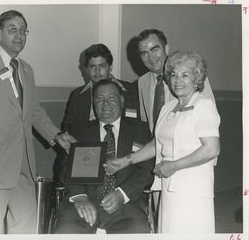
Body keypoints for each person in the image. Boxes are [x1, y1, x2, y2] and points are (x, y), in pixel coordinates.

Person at [0, 10, 75, 234]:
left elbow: (34, 112)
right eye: (12, 30)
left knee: (25, 226)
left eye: (23, 30)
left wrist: (58, 136)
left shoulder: (26, 70)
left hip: (25, 164)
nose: (19, 35)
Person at [105, 50, 221, 233]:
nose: (178, 80)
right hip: (168, 185)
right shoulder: (168, 108)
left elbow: (211, 149)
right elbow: (156, 144)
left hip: (193, 189)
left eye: (185, 75)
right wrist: (126, 160)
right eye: (173, 75)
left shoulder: (204, 105)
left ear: (196, 79)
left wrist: (174, 165)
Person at [55, 79, 154, 234]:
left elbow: (147, 169)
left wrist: (122, 194)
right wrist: (79, 196)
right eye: (99, 99)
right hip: (82, 203)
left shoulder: (139, 129)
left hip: (125, 205)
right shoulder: (78, 130)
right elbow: (65, 167)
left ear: (121, 100)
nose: (105, 104)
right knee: (67, 230)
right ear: (94, 102)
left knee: (136, 231)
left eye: (111, 98)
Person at [137, 29, 215, 134]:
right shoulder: (142, 82)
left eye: (155, 50)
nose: (151, 58)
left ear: (166, 49)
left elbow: (210, 119)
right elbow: (145, 122)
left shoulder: (193, 75)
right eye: (144, 54)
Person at [61, 43, 142, 134]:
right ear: (86, 69)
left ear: (110, 67)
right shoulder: (77, 96)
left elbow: (141, 126)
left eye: (102, 66)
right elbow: (67, 127)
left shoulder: (132, 91)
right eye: (92, 67)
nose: (97, 72)